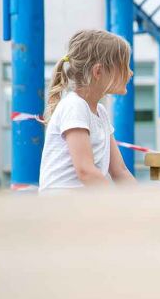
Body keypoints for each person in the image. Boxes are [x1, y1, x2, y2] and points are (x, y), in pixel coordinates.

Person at [39, 30, 137, 190]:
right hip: (63, 202)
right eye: (124, 66)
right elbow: (86, 172)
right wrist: (117, 200)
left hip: (84, 201)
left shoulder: (100, 112)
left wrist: (144, 200)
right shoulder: (75, 106)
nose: (130, 73)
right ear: (98, 71)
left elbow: (120, 171)